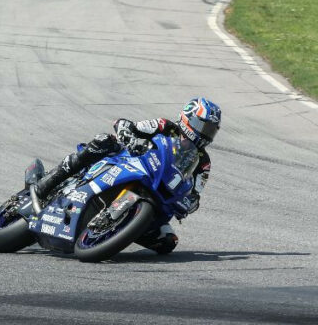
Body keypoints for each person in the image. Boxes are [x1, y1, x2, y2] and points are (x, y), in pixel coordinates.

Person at [30, 97, 220, 254]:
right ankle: (46, 183)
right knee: (102, 141)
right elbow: (125, 124)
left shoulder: (204, 162)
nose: (205, 133)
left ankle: (121, 229)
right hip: (132, 161)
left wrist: (190, 203)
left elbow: (195, 192)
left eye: (211, 130)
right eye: (202, 126)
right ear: (187, 117)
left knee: (168, 242)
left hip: (159, 191)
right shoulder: (165, 126)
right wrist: (128, 134)